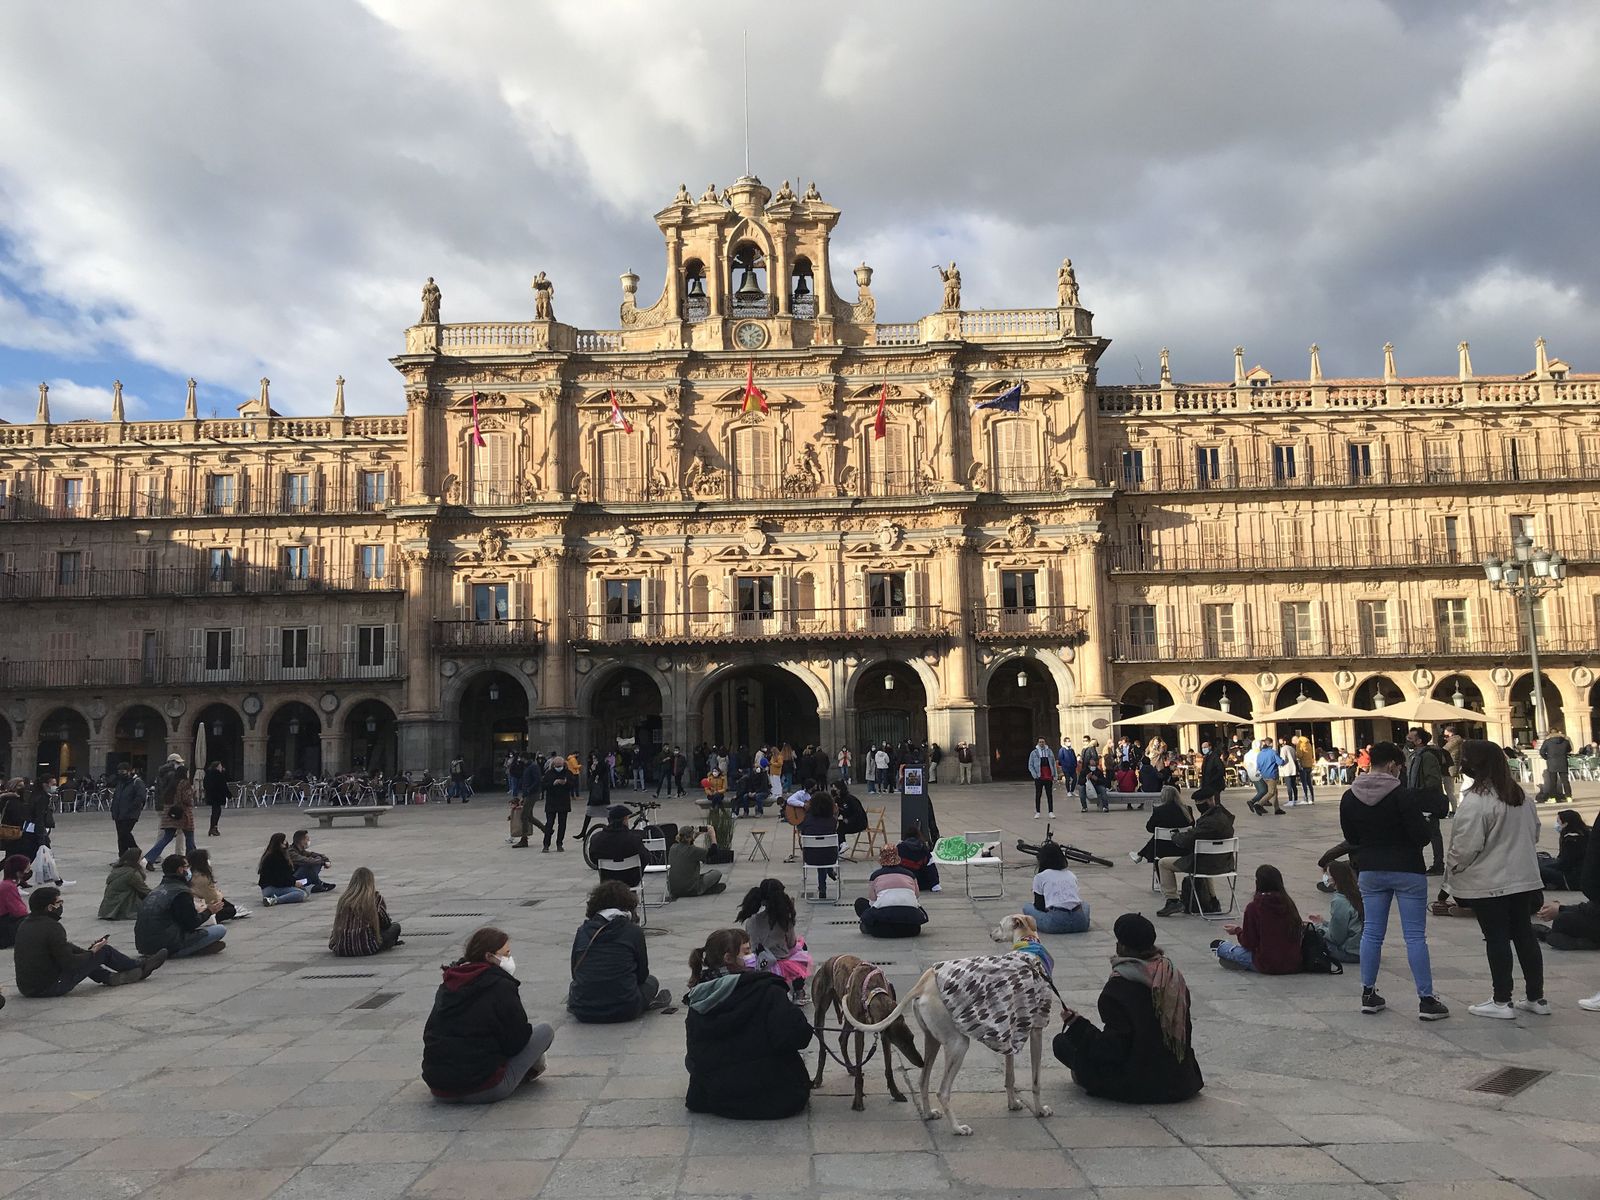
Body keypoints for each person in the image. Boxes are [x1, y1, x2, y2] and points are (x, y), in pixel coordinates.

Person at [1339, 741, 1450, 1020]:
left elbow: (1351, 838)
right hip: (1407, 869)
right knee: (1414, 937)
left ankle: (1368, 993)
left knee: (1372, 933)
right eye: (1399, 766)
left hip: (1371, 870)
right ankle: (1426, 999)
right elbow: (1422, 836)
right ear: (1391, 765)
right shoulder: (1403, 795)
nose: (1400, 771)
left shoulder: (1349, 796)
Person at [1053, 913, 1203, 1104]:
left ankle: (1084, 1075)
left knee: (1062, 1043)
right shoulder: (1172, 976)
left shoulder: (1118, 988)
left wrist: (1077, 1025)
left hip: (1138, 1083)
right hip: (1181, 1079)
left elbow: (1112, 1050)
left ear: (1121, 946)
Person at [1446, 739, 1547, 1019]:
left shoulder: (1477, 802)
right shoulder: (1521, 797)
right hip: (1523, 878)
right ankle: (1536, 997)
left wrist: (1452, 868)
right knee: (1524, 934)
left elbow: (1465, 847)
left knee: (1496, 938)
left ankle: (1502, 1000)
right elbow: (1535, 834)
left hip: (1490, 882)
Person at [684, 926, 815, 1119]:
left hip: (718, 1095)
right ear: (729, 958)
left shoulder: (700, 997)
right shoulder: (767, 989)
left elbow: (695, 1053)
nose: (752, 955)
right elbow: (796, 1036)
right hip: (772, 1096)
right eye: (746, 952)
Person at [422, 926, 556, 1103]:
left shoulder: (449, 984)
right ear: (489, 956)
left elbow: (431, 1032)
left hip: (440, 1088)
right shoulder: (501, 985)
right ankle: (529, 1071)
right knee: (544, 1031)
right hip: (484, 1087)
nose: (510, 959)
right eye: (506, 954)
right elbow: (516, 1044)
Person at [14, 886, 167, 995]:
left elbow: (63, 947)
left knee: (89, 956)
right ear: (50, 907)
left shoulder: (26, 924)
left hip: (28, 986)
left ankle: (110, 977)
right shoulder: (53, 927)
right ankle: (140, 966)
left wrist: (87, 951)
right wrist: (93, 952)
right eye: (59, 903)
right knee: (104, 951)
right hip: (50, 987)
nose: (62, 906)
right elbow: (70, 962)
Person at [567, 881, 672, 1022]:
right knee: (651, 981)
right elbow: (642, 976)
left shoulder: (583, 931)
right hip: (625, 1008)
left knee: (577, 986)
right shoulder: (633, 931)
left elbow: (575, 972)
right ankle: (643, 1001)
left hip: (583, 1010)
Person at [1155, 789, 1234, 917]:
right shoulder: (1225, 817)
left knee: (1163, 863)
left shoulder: (1209, 822)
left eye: (1199, 801)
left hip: (1204, 864)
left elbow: (1188, 839)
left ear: (1210, 800)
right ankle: (1213, 900)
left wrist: (1175, 836)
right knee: (1207, 861)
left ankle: (1172, 900)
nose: (1197, 804)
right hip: (1224, 862)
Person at [1211, 865, 1303, 973]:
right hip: (1293, 963)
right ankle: (1241, 961)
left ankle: (1237, 959)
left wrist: (1237, 931)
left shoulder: (1254, 907)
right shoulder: (1289, 904)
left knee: (1220, 947)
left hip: (1267, 964)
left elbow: (1249, 943)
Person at [135, 854, 228, 958]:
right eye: (187, 867)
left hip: (144, 946)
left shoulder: (156, 890)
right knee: (220, 929)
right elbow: (191, 922)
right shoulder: (181, 892)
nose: (189, 870)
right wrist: (209, 911)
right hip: (167, 945)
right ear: (180, 869)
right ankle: (186, 950)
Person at [737, 878, 813, 998]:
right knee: (802, 946)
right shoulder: (784, 921)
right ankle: (799, 991)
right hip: (779, 961)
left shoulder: (751, 921)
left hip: (758, 960)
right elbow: (792, 944)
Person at [1538, 809, 1600, 952]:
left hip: (1572, 880)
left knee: (1562, 922)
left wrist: (1561, 910)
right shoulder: (1582, 834)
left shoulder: (1572, 838)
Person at [327, 866, 402, 956]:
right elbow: (386, 923)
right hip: (367, 947)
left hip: (342, 948)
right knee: (395, 927)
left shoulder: (343, 899)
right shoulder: (374, 898)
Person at [854, 846, 927, 937]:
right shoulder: (910, 875)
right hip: (912, 929)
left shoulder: (875, 876)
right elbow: (916, 896)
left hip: (881, 930)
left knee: (860, 903)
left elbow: (872, 902)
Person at [1404, 728, 1448, 875]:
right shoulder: (1414, 756)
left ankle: (1438, 864)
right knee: (1416, 832)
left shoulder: (1427, 756)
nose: (1407, 741)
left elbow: (1433, 780)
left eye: (1410, 739)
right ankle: (1416, 862)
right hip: (1415, 798)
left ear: (1419, 741)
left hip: (1426, 800)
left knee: (1434, 833)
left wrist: (1419, 791)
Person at [1024, 841, 1090, 934]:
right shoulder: (1071, 874)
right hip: (1080, 923)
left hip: (1055, 924)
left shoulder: (1040, 877)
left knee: (1027, 907)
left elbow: (1039, 905)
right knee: (1085, 905)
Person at [1308, 860, 1363, 964]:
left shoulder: (1340, 901)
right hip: (1364, 950)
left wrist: (1319, 926)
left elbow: (1336, 937)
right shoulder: (1356, 895)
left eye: (1328, 874)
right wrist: (1324, 922)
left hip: (1349, 952)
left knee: (1312, 935)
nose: (1326, 877)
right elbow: (1347, 926)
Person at [143, 771, 197, 869]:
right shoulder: (185, 783)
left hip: (170, 815)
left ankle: (148, 859)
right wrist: (192, 798)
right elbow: (186, 799)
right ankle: (192, 861)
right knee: (190, 838)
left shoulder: (171, 784)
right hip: (183, 815)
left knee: (166, 838)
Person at [1131, 785, 1193, 865]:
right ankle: (1140, 854)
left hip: (1163, 849)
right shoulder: (1187, 809)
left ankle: (1140, 854)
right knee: (1161, 834)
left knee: (1158, 835)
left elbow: (1149, 828)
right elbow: (1191, 825)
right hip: (1184, 848)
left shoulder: (1159, 810)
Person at [590, 805, 648, 886]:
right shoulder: (633, 839)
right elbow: (645, 857)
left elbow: (593, 858)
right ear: (624, 820)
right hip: (630, 880)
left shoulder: (596, 838)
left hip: (607, 880)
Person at [188, 848, 250, 922]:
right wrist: (219, 895)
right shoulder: (202, 878)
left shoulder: (192, 873)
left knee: (227, 904)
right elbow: (211, 898)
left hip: (198, 901)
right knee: (230, 910)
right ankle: (210, 919)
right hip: (201, 904)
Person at [798, 789, 839, 899]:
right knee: (824, 851)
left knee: (819, 851)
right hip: (831, 857)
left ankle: (822, 888)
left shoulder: (807, 819)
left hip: (810, 857)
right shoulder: (832, 821)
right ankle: (828, 873)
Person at [667, 826, 726, 899]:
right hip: (691, 888)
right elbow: (713, 852)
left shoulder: (672, 848)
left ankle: (702, 889)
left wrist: (694, 837)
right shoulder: (693, 850)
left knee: (695, 876)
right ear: (690, 837)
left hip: (673, 889)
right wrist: (712, 835)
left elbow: (685, 844)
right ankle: (701, 890)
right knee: (716, 873)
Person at [97, 848, 152, 921]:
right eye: (141, 858)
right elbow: (145, 890)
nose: (142, 860)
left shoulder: (117, 869)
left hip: (108, 907)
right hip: (120, 905)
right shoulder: (132, 874)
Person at [1540, 810, 1589, 890]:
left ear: (1565, 824)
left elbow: (1564, 864)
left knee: (1539, 869)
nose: (1556, 824)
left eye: (1558, 821)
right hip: (1581, 873)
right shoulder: (1585, 833)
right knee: (1544, 859)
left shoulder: (1571, 840)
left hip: (1572, 878)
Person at [258, 833, 310, 905]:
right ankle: (274, 900)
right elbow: (279, 878)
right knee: (301, 894)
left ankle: (274, 897)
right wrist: (293, 883)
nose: (286, 842)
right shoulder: (275, 857)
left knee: (306, 891)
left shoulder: (275, 854)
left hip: (275, 886)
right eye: (284, 841)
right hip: (272, 887)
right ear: (280, 843)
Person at [109, 762, 148, 860]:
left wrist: (132, 807)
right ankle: (123, 857)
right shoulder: (120, 783)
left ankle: (137, 853)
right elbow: (116, 797)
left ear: (130, 771)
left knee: (125, 834)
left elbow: (141, 797)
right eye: (119, 772)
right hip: (119, 814)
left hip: (130, 814)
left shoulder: (137, 782)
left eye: (123, 771)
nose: (121, 774)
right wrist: (113, 810)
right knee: (121, 838)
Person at [541, 754, 574, 852]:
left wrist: (566, 783)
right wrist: (553, 783)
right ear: (553, 765)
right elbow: (543, 786)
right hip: (551, 802)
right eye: (557, 766)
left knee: (562, 824)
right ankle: (546, 844)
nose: (559, 768)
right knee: (549, 823)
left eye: (560, 766)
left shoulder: (568, 773)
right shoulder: (549, 773)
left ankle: (559, 843)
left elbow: (573, 785)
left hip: (563, 802)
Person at [896, 826, 941, 892]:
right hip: (921, 883)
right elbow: (931, 868)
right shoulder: (924, 848)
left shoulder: (900, 848)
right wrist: (935, 884)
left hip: (904, 882)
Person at [579, 751, 611, 840]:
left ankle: (614, 830)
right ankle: (583, 832)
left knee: (607, 814)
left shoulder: (602, 768)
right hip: (595, 795)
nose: (593, 760)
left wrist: (593, 771)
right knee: (588, 814)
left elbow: (597, 780)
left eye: (595, 758)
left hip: (601, 795)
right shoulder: (597, 768)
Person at [0, 854, 30, 947]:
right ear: (18, 873)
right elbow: (19, 911)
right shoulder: (8, 887)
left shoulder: (6, 884)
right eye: (27, 870)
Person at [1250, 738, 1285, 816]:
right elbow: (1280, 762)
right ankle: (1259, 804)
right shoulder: (1272, 752)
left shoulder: (1260, 754)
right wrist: (1283, 761)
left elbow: (1258, 766)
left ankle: (1277, 809)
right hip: (1272, 775)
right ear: (1271, 744)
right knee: (1271, 792)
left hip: (1264, 775)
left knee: (1275, 791)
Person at [1538, 728, 1573, 802]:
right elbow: (1569, 750)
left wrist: (1547, 758)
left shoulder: (1547, 741)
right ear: (1558, 732)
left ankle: (1553, 798)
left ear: (1550, 733)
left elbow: (1541, 752)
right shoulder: (1565, 741)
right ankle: (1569, 797)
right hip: (1563, 762)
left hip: (1552, 763)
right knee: (1565, 781)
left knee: (1553, 781)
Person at [203, 761, 229, 837]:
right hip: (218, 796)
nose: (222, 767)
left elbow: (205, 784)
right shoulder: (218, 775)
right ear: (217, 767)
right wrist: (228, 794)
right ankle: (213, 828)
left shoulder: (208, 774)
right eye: (220, 766)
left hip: (211, 795)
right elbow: (223, 786)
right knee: (217, 812)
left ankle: (213, 828)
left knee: (214, 812)